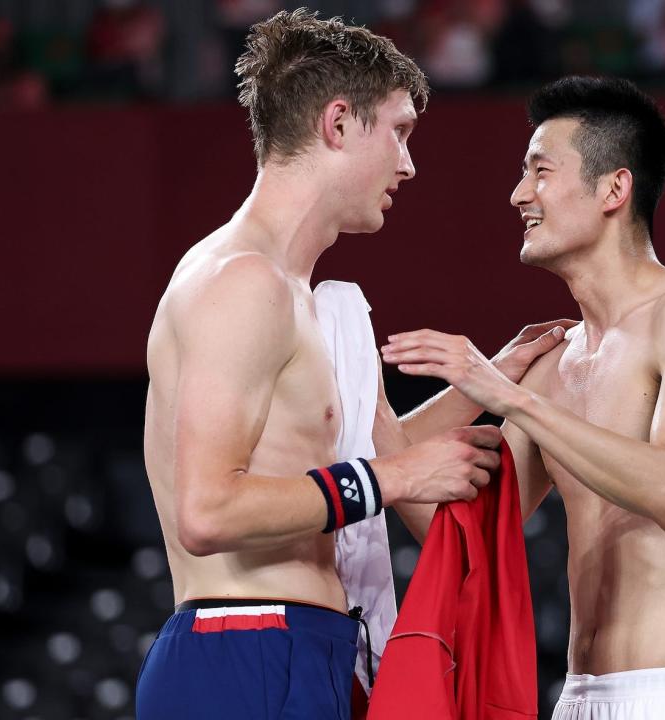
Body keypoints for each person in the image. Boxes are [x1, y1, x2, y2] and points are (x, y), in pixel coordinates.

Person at [137, 10, 568, 719]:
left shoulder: (294, 294)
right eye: (398, 132)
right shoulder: (244, 283)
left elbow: (347, 445)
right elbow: (207, 510)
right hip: (246, 648)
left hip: (299, 648)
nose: (408, 163)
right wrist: (396, 479)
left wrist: (489, 381)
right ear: (338, 124)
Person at [382, 76, 665, 719]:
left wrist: (512, 397)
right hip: (577, 699)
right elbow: (456, 532)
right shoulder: (551, 362)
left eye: (540, 171)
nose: (519, 194)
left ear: (614, 188)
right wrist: (358, 403)